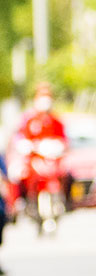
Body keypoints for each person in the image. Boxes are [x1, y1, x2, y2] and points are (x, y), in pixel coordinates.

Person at [4, 82, 67, 219]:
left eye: (47, 96)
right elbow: (19, 136)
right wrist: (24, 145)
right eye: (42, 96)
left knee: (67, 173)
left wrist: (59, 147)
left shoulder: (56, 120)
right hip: (33, 160)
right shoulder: (29, 119)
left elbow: (64, 140)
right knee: (14, 175)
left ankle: (64, 202)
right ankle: (15, 205)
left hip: (51, 160)